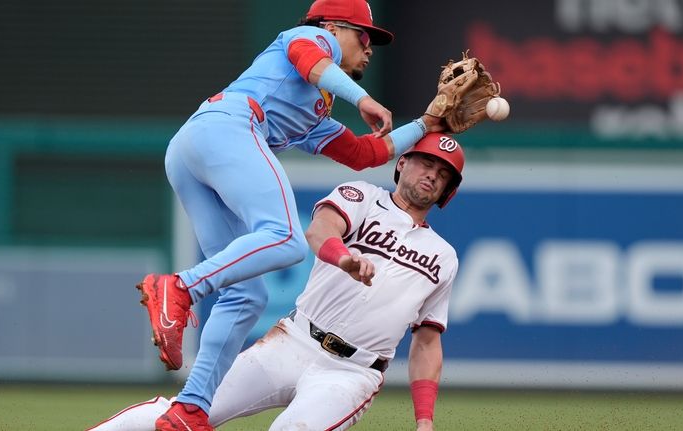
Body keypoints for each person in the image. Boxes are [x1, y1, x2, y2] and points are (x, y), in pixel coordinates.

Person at [135, 0, 447, 428]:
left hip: (191, 149)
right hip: (230, 127)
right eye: (363, 35)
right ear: (334, 27)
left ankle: (190, 408)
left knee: (247, 295)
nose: (369, 47)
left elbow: (363, 154)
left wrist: (428, 123)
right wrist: (364, 98)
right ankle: (181, 288)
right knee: (284, 238)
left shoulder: (314, 106)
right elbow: (310, 59)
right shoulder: (309, 39)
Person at [88, 132, 464, 431]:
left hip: (352, 373)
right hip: (293, 341)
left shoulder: (443, 256)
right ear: (403, 163)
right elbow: (320, 230)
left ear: (448, 190)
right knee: (187, 411)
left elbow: (427, 342)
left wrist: (425, 420)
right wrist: (345, 258)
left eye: (443, 172)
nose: (432, 173)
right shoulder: (364, 196)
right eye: (425, 162)